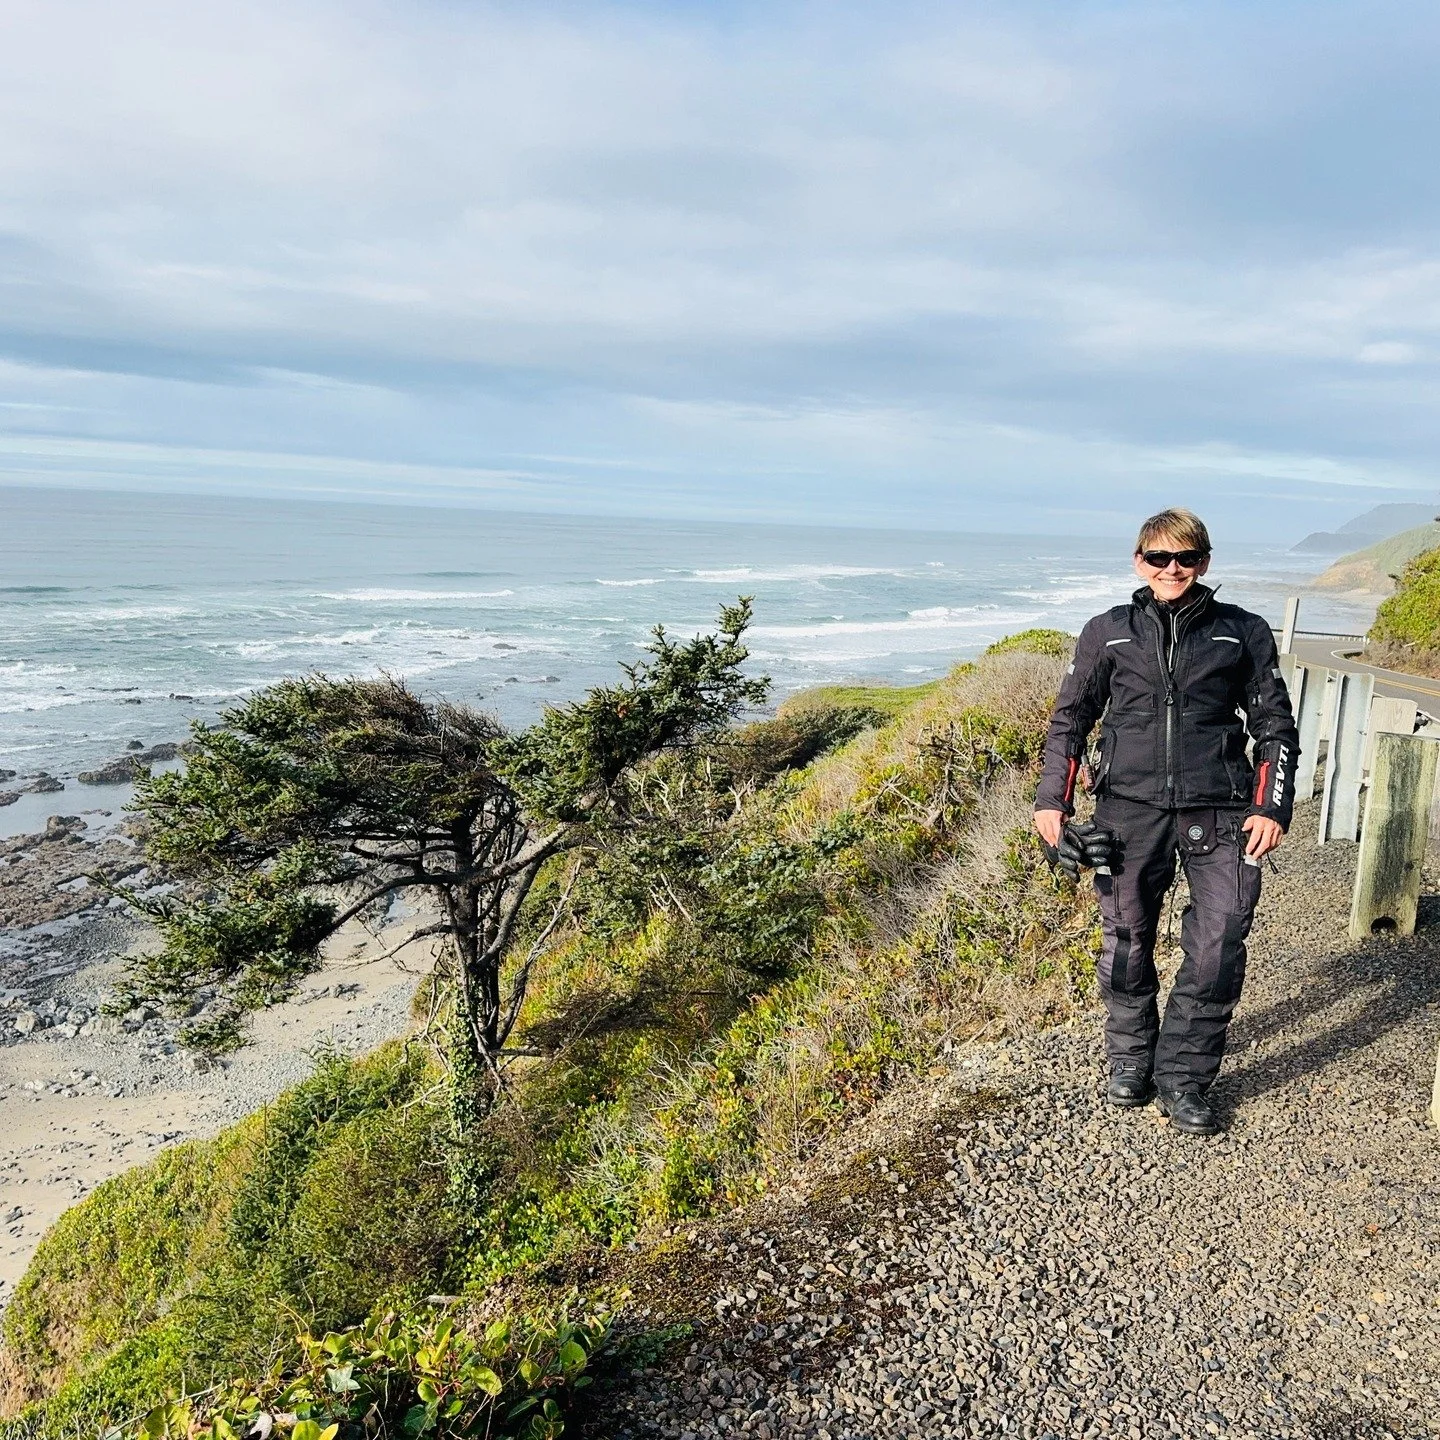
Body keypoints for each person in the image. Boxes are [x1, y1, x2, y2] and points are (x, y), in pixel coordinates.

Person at [1033, 508, 1298, 1136]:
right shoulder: (1108, 632)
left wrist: (1271, 806)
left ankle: (1184, 1077)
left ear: (1204, 562)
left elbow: (1274, 727)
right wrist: (1053, 800)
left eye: (1184, 558)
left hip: (1223, 809)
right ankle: (1130, 1059)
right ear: (1139, 562)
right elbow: (1070, 719)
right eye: (1159, 558)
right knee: (1126, 940)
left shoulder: (1243, 632)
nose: (1171, 569)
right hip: (1127, 808)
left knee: (1219, 943)